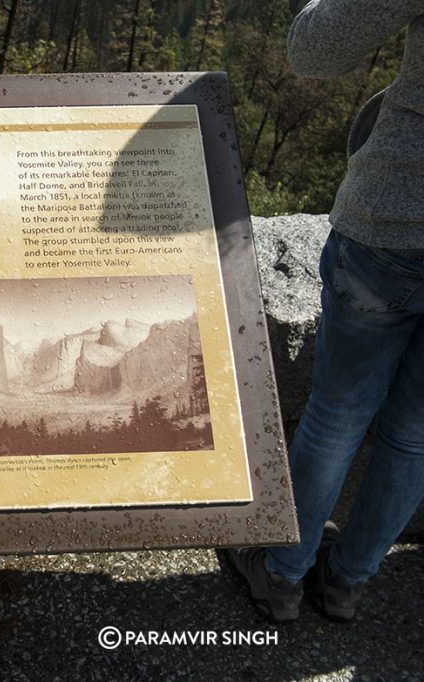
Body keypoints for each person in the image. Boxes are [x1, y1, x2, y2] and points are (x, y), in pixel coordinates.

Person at [222, 0, 424, 623]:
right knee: (416, 431)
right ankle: (349, 579)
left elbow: (316, 49)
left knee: (337, 414)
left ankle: (283, 572)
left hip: (393, 219)